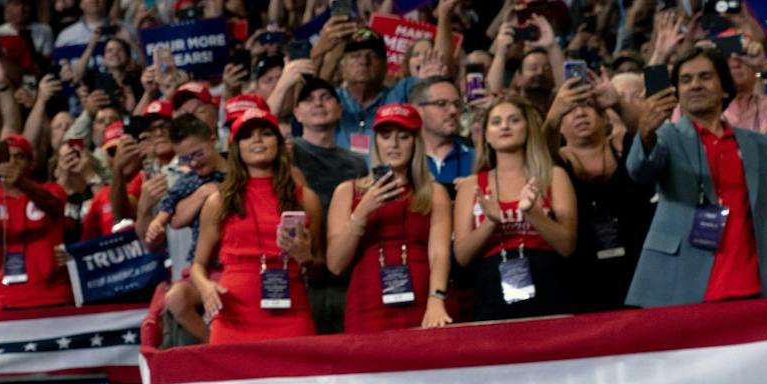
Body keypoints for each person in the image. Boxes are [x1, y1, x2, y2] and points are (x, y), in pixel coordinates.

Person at [626, 45, 767, 305]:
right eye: (686, 80)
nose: (695, 85)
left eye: (705, 77)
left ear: (725, 88)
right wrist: (645, 134)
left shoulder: (759, 144)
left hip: (755, 282)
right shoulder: (665, 138)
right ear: (677, 92)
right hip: (684, 284)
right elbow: (639, 172)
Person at [192, 101, 322, 344]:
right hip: (233, 315)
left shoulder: (306, 198)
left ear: (279, 143)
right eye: (247, 136)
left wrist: (305, 257)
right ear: (236, 147)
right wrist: (205, 287)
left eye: (266, 133)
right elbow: (198, 265)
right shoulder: (218, 202)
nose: (257, 140)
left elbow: (321, 269)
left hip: (291, 313)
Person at [326, 104, 453, 332]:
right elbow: (335, 264)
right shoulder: (347, 192)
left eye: (403, 137)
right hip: (367, 303)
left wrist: (436, 299)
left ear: (415, 142)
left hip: (422, 300)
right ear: (376, 141)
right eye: (386, 136)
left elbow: (439, 254)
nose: (394, 144)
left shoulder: (434, 194)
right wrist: (363, 211)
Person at [454, 96, 579, 320]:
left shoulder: (554, 176)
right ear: (486, 136)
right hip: (493, 291)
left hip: (550, 287)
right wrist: (490, 223)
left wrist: (534, 214)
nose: (504, 126)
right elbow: (462, 257)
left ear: (528, 129)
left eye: (513, 120)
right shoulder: (471, 185)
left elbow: (567, 246)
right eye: (496, 122)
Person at [551, 76, 653, 313]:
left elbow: (648, 132)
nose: (580, 114)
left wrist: (617, 103)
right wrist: (553, 114)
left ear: (605, 117)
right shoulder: (555, 164)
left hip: (637, 273)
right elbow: (540, 155)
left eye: (588, 106)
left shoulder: (625, 149)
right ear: (560, 125)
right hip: (581, 280)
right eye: (570, 110)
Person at [0, 133, 75, 310]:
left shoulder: (50, 189)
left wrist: (22, 183)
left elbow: (56, 207)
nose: (12, 162)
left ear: (31, 164)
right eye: (7, 156)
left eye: (19, 157)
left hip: (53, 296)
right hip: (8, 299)